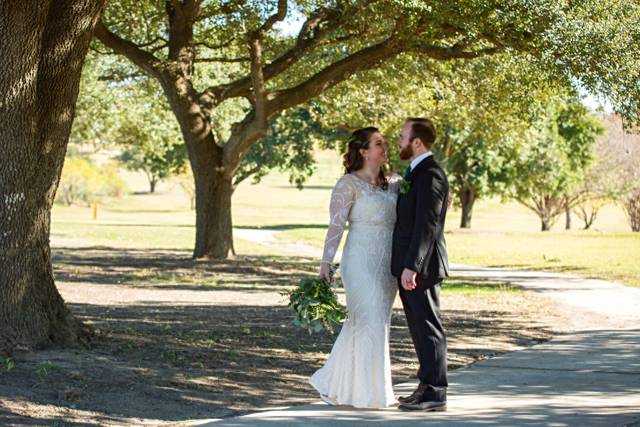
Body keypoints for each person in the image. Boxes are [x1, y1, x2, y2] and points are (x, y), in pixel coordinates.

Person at [309, 127, 402, 408]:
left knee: (376, 324)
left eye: (384, 143)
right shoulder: (348, 184)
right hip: (360, 262)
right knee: (368, 320)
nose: (384, 148)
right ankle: (365, 394)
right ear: (363, 151)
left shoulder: (396, 182)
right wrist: (326, 263)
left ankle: (356, 389)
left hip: (388, 266)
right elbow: (335, 226)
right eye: (378, 144)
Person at [391, 117, 450, 412]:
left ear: (417, 141)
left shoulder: (431, 175)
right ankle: (425, 386)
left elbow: (427, 225)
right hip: (410, 267)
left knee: (429, 328)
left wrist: (412, 266)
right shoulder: (415, 172)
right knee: (418, 328)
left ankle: (436, 392)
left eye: (402, 135)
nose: (399, 140)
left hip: (422, 268)